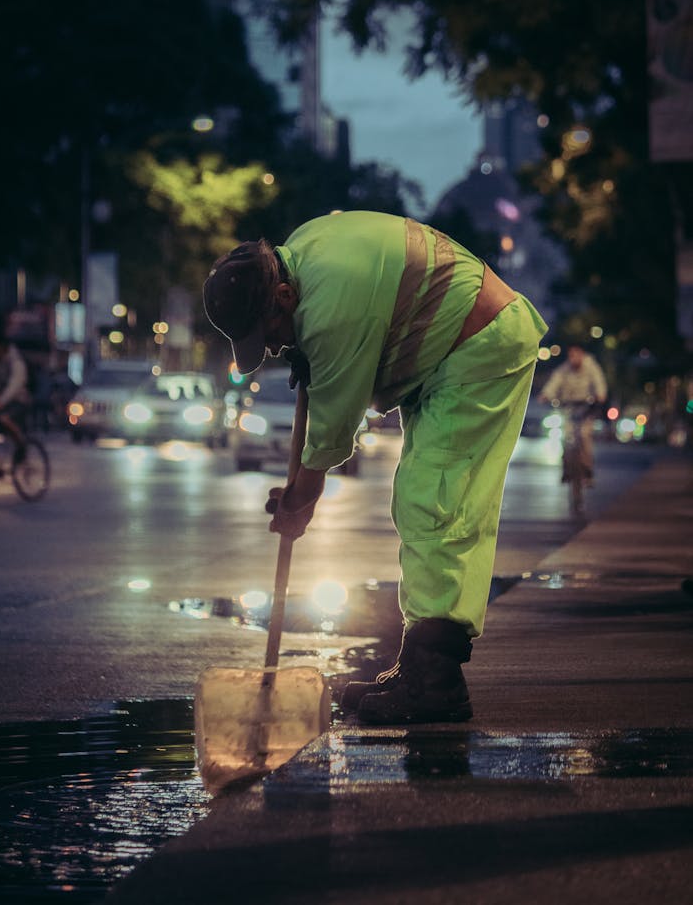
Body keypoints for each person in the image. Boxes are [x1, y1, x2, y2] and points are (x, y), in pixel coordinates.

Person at [203, 211, 547, 725]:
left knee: (435, 502)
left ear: (282, 298)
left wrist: (301, 498)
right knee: (421, 501)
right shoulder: (302, 253)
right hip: (445, 353)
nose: (274, 347)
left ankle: (436, 680)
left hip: (480, 347)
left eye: (270, 333)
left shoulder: (331, 310)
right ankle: (418, 664)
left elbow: (334, 432)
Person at [538, 344, 607, 480]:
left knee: (584, 435)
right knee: (566, 436)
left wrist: (600, 394)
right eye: (570, 355)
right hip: (568, 408)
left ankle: (587, 469)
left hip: (586, 408)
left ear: (582, 354)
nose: (573, 358)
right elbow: (554, 383)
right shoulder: (563, 369)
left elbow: (599, 382)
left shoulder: (592, 367)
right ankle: (566, 469)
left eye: (575, 355)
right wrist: (545, 395)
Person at [0, 319, 31, 458]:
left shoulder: (16, 362)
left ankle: (21, 445)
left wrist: (1, 401)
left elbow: (15, 385)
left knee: (5, 418)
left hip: (18, 401)